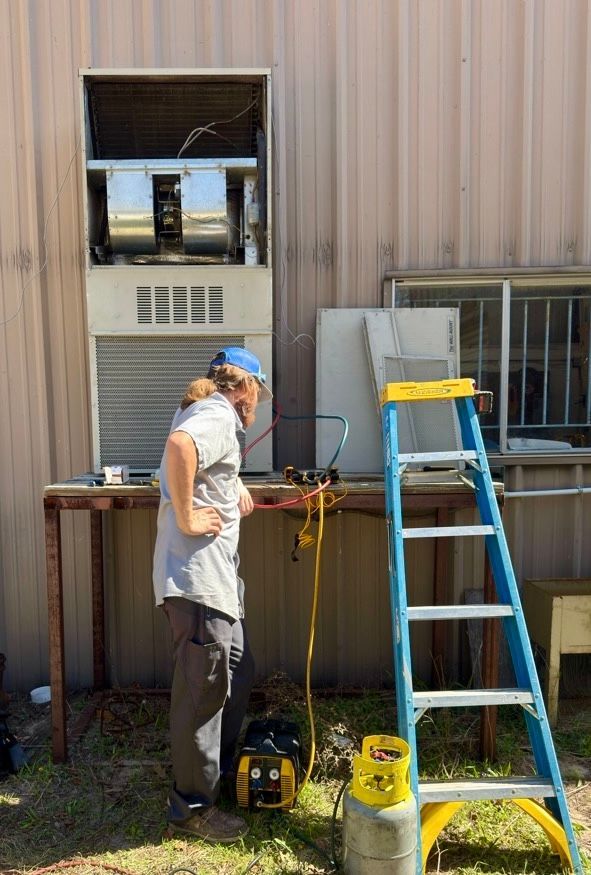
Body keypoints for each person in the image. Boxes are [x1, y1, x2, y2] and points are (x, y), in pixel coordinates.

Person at [152, 347, 272, 843]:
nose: (257, 404)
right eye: (258, 393)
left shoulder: (203, 410)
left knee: (236, 668)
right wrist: (186, 517)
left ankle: (208, 773)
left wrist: (233, 484)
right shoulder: (218, 414)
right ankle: (192, 809)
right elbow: (182, 448)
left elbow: (198, 463)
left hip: (213, 584)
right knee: (203, 692)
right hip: (199, 583)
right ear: (244, 387)